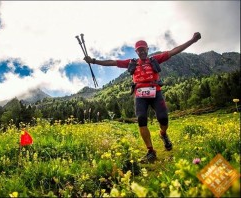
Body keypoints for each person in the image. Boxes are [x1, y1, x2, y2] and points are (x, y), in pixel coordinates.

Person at [84, 32, 201, 162]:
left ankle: (163, 134)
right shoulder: (131, 63)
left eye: (143, 50)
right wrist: (94, 61)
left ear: (147, 50)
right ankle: (150, 151)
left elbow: (174, 51)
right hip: (140, 94)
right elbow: (113, 62)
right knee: (141, 119)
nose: (142, 52)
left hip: (155, 91)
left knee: (163, 118)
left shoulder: (155, 59)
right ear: (136, 52)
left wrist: (192, 40)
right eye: (139, 51)